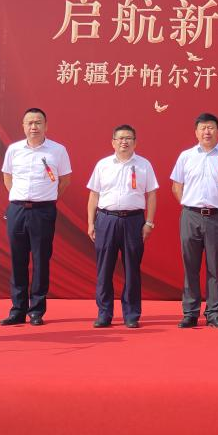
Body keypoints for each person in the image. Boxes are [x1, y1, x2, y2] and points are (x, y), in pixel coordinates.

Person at [0, 108, 72, 326]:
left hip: (43, 211)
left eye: (38, 122)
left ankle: (36, 311)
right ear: (23, 126)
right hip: (17, 210)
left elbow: (65, 180)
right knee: (18, 259)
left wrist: (47, 198)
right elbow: (7, 177)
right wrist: (20, 198)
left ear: (46, 126)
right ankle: (17, 309)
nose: (34, 127)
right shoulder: (14, 150)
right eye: (30, 123)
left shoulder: (57, 150)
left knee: (41, 260)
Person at [170, 112, 218, 328]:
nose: (207, 132)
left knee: (214, 267)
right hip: (190, 215)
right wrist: (190, 205)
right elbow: (176, 185)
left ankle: (213, 313)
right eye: (203, 128)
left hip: (217, 217)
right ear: (196, 132)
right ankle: (190, 313)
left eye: (211, 127)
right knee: (190, 265)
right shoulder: (186, 156)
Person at [86, 124, 158, 329]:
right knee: (104, 269)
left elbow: (152, 194)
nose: (124, 142)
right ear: (113, 142)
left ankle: (131, 314)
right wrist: (91, 222)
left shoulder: (144, 165)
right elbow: (94, 195)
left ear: (135, 142)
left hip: (133, 221)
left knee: (132, 268)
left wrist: (149, 222)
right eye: (120, 138)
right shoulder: (103, 165)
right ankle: (104, 313)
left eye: (128, 138)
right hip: (106, 219)